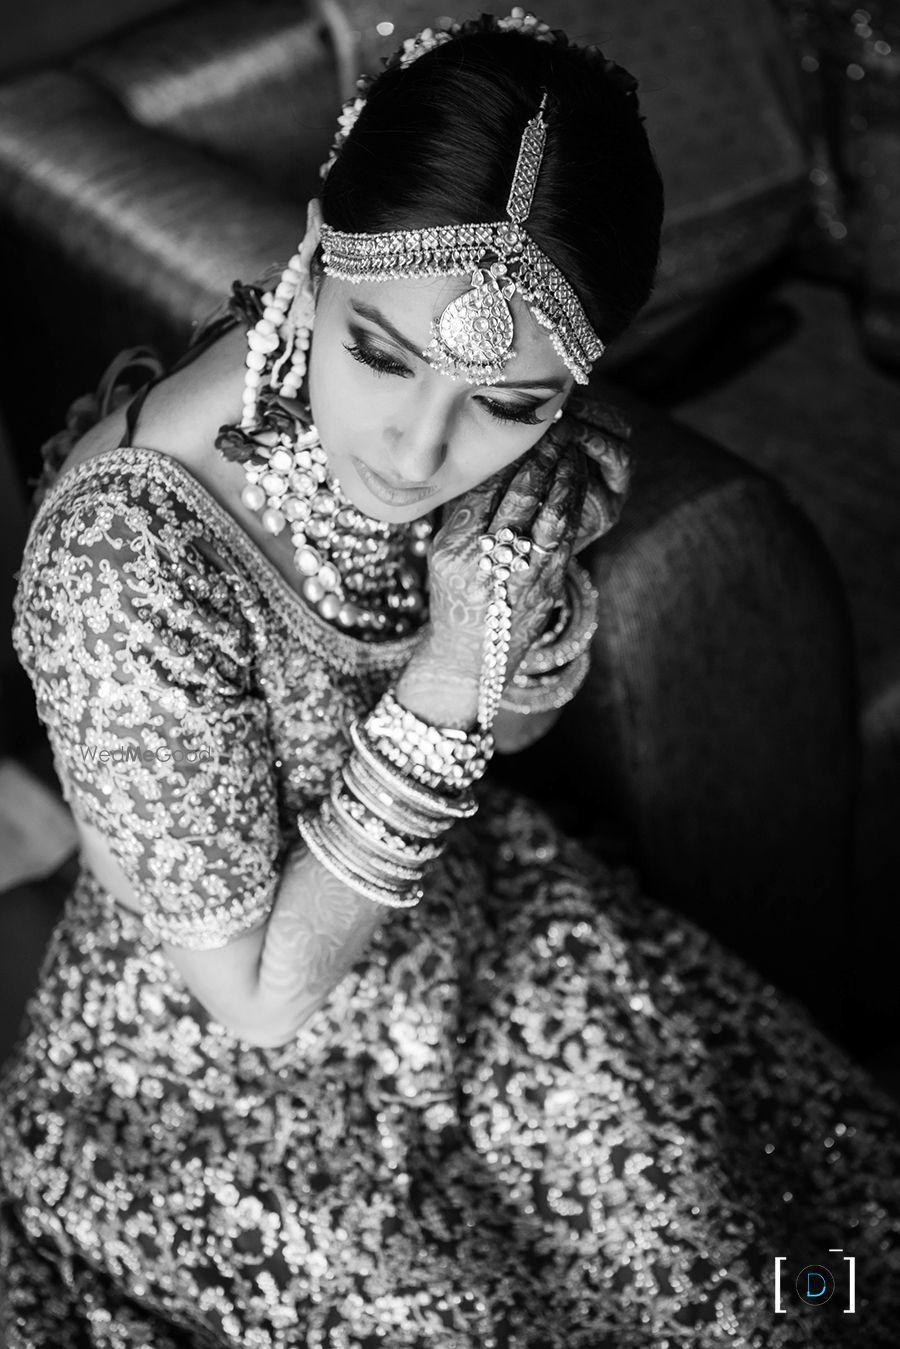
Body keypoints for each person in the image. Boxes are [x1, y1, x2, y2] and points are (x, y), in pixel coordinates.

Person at [0, 10, 898, 1348]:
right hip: (229, 1069)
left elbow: (514, 726)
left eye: (512, 404)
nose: (423, 449)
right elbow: (258, 995)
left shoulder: (481, 424)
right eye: (381, 356)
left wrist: (511, 616)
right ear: (313, 263)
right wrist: (450, 668)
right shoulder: (126, 559)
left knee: (764, 1269)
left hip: (469, 917)